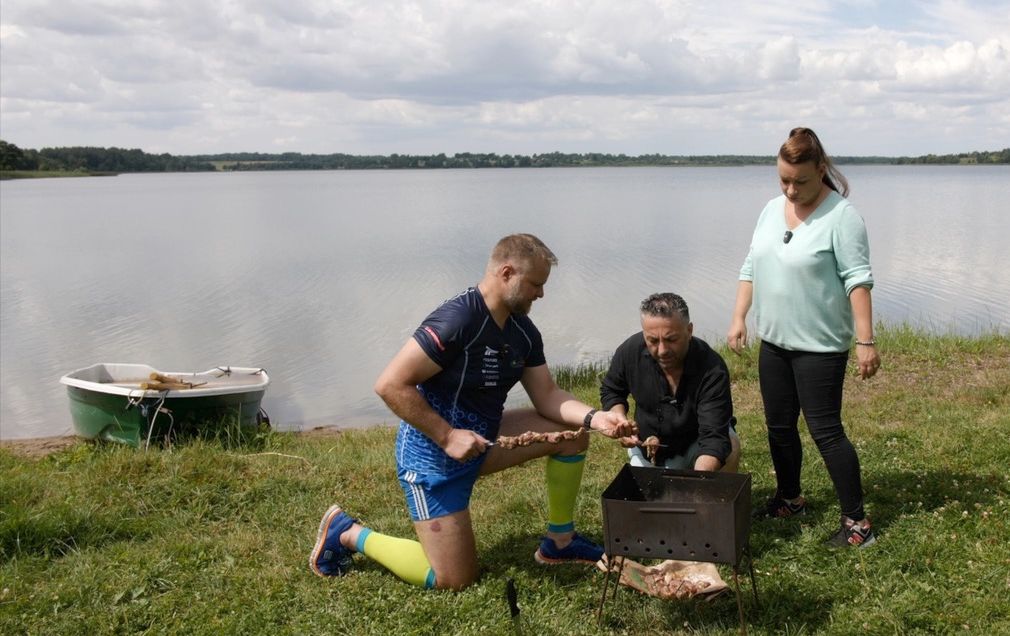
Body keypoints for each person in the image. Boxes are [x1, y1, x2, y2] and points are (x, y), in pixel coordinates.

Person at [309, 233, 637, 590]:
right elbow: (390, 384)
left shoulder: (522, 332)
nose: (540, 294)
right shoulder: (457, 320)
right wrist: (446, 436)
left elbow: (547, 395)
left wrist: (597, 418)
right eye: (536, 284)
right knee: (453, 579)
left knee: (572, 435)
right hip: (433, 459)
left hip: (483, 442)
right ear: (507, 272)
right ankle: (348, 533)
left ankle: (560, 542)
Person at [726, 127, 881, 548]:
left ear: (821, 170)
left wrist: (865, 341)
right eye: (784, 180)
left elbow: (858, 281)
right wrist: (740, 316)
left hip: (820, 347)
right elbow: (750, 266)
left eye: (801, 181)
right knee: (779, 428)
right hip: (774, 343)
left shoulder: (843, 216)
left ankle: (857, 525)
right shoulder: (770, 209)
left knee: (826, 430)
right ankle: (789, 498)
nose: (791, 190)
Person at [600, 293, 740, 472]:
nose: (662, 350)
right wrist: (619, 419)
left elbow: (714, 438)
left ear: (689, 331)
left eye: (671, 339)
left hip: (696, 444)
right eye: (652, 340)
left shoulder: (712, 368)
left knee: (731, 446)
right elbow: (612, 390)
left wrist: (698, 485)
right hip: (647, 448)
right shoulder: (629, 351)